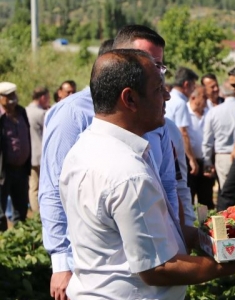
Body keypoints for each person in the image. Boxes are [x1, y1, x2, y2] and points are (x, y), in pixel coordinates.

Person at [60, 49, 235, 299]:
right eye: (157, 88)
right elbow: (157, 269)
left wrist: (205, 237)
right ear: (129, 99)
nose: (167, 95)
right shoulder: (127, 172)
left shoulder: (84, 148)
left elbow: (148, 232)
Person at [39, 25, 189, 300]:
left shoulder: (155, 117)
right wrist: (61, 262)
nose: (160, 76)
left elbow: (168, 185)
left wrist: (180, 241)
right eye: (151, 64)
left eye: (161, 66)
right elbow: (53, 189)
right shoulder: (71, 115)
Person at [202, 65, 235, 197]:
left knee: (228, 195)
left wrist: (207, 162)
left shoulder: (213, 112)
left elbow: (207, 140)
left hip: (222, 157)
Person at [0, 81, 31, 231]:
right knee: (1, 211)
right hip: (3, 171)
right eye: (8, 96)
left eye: (14, 94)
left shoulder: (21, 112)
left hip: (21, 170)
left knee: (21, 209)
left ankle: (20, 238)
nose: (13, 98)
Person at [165, 66, 200, 177]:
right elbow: (183, 133)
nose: (194, 89)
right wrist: (191, 159)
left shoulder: (169, 98)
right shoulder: (180, 103)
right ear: (186, 85)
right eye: (193, 85)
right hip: (176, 154)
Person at [186, 85, 215, 209]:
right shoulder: (185, 113)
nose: (207, 100)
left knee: (206, 199)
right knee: (189, 196)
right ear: (193, 97)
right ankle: (192, 225)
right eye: (204, 97)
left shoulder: (210, 113)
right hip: (190, 163)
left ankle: (206, 225)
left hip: (206, 162)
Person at [25, 86, 50, 213]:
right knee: (39, 187)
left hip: (29, 155)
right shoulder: (42, 114)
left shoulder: (25, 110)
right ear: (43, 97)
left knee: (32, 186)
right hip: (41, 155)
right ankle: (38, 214)